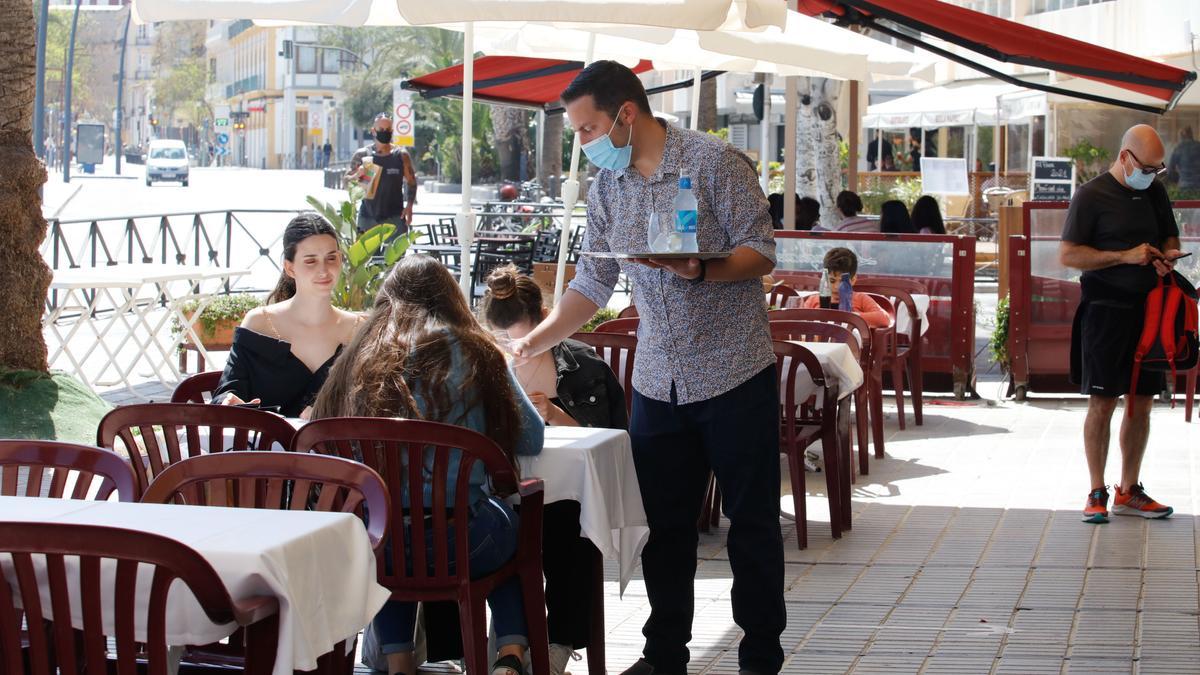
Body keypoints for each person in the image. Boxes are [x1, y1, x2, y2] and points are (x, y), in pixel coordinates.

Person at [511, 60, 785, 675]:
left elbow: (760, 250)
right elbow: (593, 281)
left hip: (735, 372)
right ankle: (664, 656)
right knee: (662, 529)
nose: (582, 144)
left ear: (625, 115)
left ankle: (761, 653)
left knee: (753, 526)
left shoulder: (715, 163)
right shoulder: (606, 189)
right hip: (658, 382)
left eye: (586, 130)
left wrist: (702, 269)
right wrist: (539, 339)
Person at [311, 255, 544, 675]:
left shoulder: (359, 355)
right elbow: (532, 437)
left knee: (387, 534)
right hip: (466, 540)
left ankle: (398, 660)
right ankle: (510, 653)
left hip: (377, 544)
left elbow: (321, 441)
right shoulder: (477, 351)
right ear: (451, 298)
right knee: (512, 528)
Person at [481, 264, 627, 675]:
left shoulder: (581, 365)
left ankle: (559, 642)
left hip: (563, 491)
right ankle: (494, 645)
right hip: (499, 491)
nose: (514, 344)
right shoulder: (488, 365)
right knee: (461, 518)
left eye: (521, 334)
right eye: (503, 336)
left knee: (565, 524)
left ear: (543, 319)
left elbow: (609, 436)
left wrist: (554, 413)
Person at [1059, 124, 1182, 525]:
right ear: (1126, 157)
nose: (1151, 175)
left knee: (1143, 402)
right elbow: (1070, 255)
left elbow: (1168, 236)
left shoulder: (1155, 192)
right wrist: (1124, 257)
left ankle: (1129, 489)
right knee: (1103, 401)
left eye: (1158, 170)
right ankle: (1096, 488)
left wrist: (1168, 255)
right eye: (1147, 167)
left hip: (1151, 310)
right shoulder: (1091, 196)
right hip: (1105, 309)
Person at [213, 213, 362, 419]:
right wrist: (228, 400)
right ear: (290, 267)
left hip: (335, 450)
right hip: (268, 449)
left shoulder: (359, 329)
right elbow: (227, 391)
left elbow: (374, 403)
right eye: (310, 261)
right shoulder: (259, 323)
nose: (324, 270)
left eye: (331, 258)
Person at [347, 113, 418, 235]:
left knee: (395, 254)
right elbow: (346, 181)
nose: (385, 132)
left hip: (395, 217)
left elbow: (412, 182)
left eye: (388, 130)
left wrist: (410, 206)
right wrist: (356, 175)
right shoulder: (363, 155)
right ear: (373, 131)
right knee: (367, 254)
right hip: (367, 217)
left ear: (392, 131)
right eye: (381, 129)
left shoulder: (401, 155)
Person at [800, 247, 891, 328]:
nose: (836, 287)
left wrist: (851, 317)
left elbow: (884, 318)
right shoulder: (813, 300)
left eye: (843, 282)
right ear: (825, 278)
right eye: (832, 281)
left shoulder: (860, 299)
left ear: (853, 280)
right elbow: (798, 320)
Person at [1167, 126, 1200, 191]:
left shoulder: (1178, 148)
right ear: (1191, 134)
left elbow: (1170, 169)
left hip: (1184, 185)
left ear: (1181, 136)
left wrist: (1175, 181)